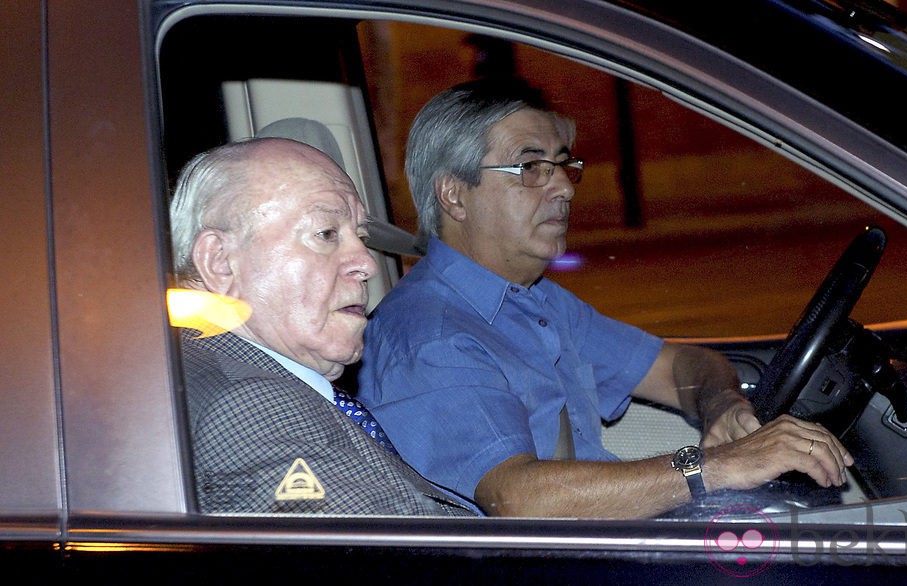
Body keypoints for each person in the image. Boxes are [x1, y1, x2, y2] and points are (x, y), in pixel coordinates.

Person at [357, 80, 854, 519]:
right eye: (531, 167)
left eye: (562, 165)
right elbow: (519, 500)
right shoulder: (433, 335)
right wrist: (716, 466)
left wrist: (721, 405)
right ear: (454, 195)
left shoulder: (537, 303)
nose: (563, 188)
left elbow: (683, 365)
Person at [169, 136, 475, 517]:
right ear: (220, 262)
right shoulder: (252, 406)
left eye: (361, 237)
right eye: (326, 234)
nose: (367, 263)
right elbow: (420, 565)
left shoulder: (203, 373)